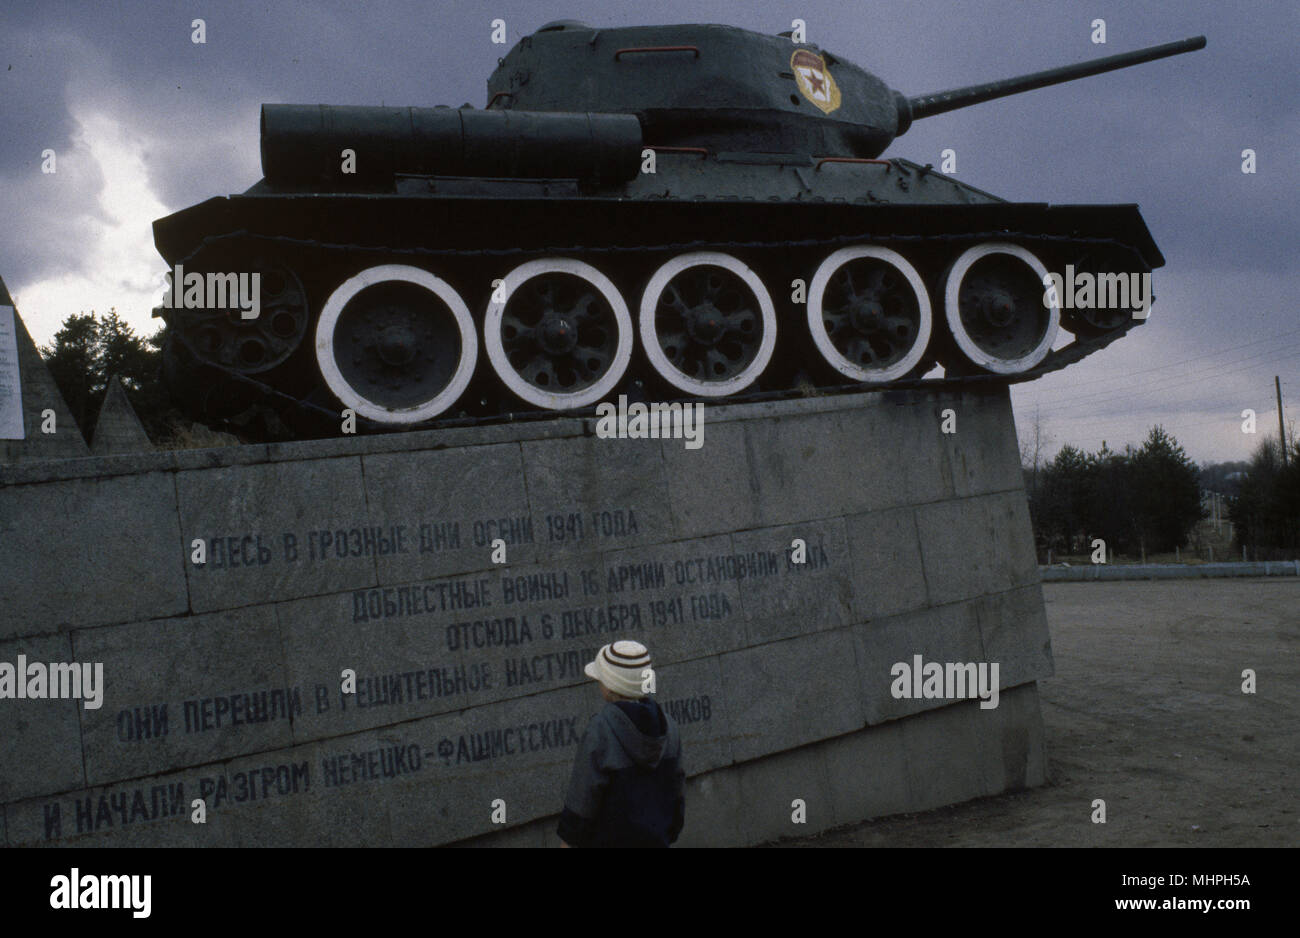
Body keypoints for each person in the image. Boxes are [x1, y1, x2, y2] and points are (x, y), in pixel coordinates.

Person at [557, 640, 685, 847]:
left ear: (609, 687)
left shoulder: (599, 731)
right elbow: (678, 799)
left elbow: (580, 810)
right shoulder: (670, 727)